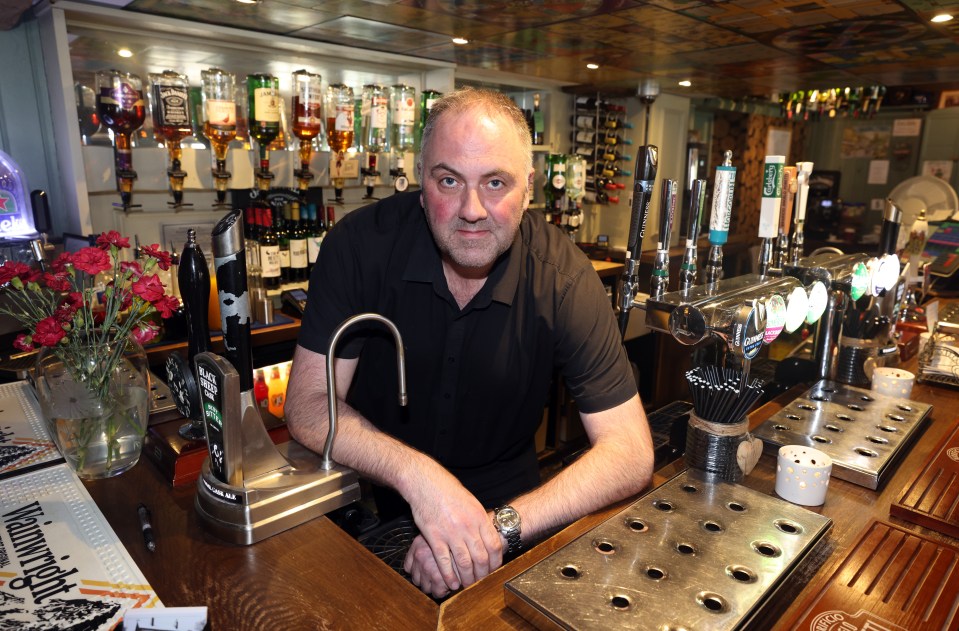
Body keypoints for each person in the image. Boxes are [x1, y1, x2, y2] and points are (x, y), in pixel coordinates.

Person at [285, 87, 653, 598]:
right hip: (373, 499)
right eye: (449, 180)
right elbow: (306, 406)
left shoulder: (563, 277)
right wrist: (420, 478)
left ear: (528, 189)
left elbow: (630, 451)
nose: (471, 209)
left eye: (495, 183)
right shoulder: (359, 245)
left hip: (514, 512)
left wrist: (494, 530)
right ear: (421, 182)